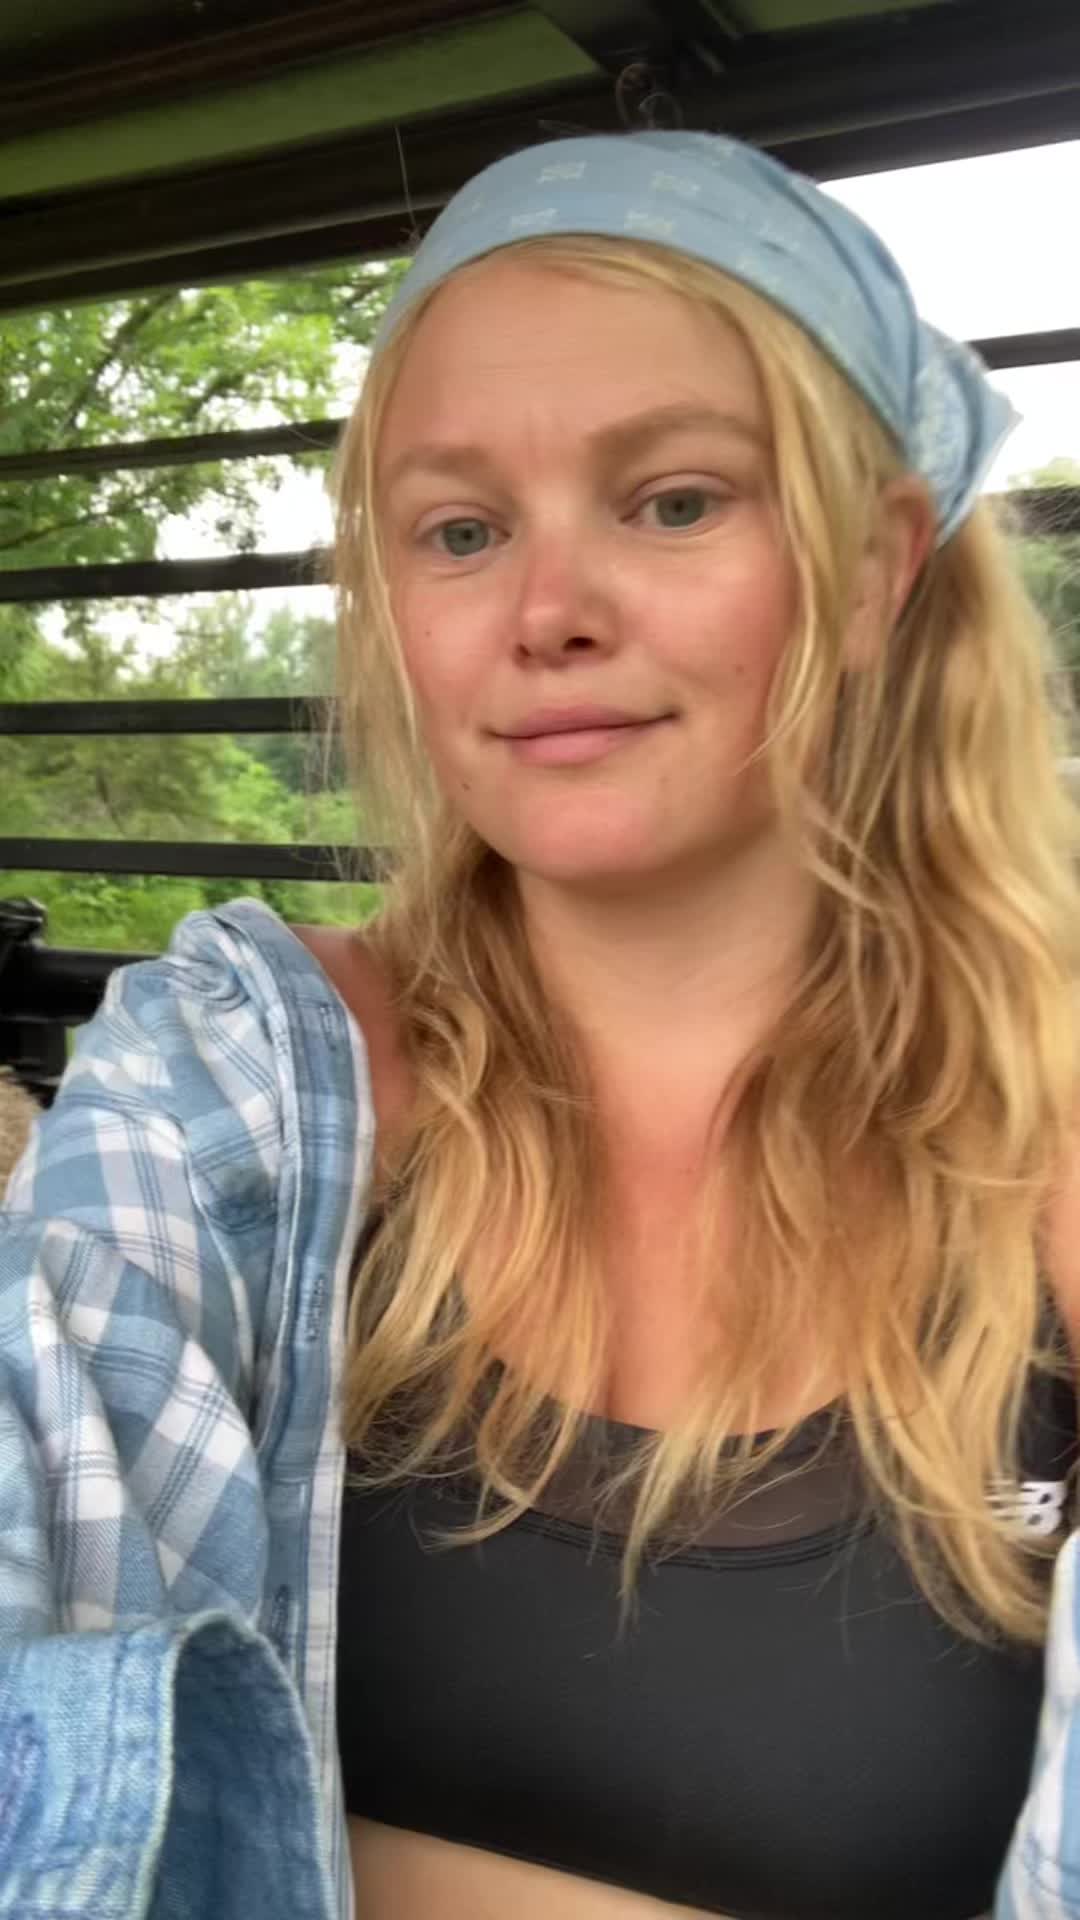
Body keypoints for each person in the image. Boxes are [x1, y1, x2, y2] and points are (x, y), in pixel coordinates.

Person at [2, 127, 1080, 1920]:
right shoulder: (229, 1085)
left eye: (675, 501)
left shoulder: (1054, 1131)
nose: (549, 613)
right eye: (462, 530)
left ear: (876, 565)